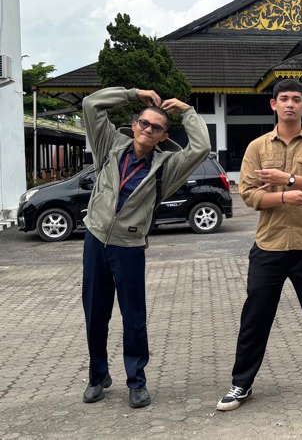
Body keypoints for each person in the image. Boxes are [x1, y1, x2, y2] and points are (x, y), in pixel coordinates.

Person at [217, 79, 302, 412]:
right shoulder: (257, 147)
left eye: (296, 99)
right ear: (273, 105)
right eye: (283, 99)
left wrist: (286, 178)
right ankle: (241, 384)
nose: (289, 104)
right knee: (255, 319)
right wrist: (283, 196)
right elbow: (248, 194)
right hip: (269, 246)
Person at [81, 87, 210, 408]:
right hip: (95, 239)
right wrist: (132, 94)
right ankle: (98, 376)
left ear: (163, 136)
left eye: (156, 127)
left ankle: (136, 381)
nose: (147, 129)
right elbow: (91, 104)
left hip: (129, 246)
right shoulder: (109, 145)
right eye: (143, 123)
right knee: (95, 313)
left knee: (133, 317)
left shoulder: (166, 167)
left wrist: (188, 112)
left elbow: (202, 147)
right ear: (135, 124)